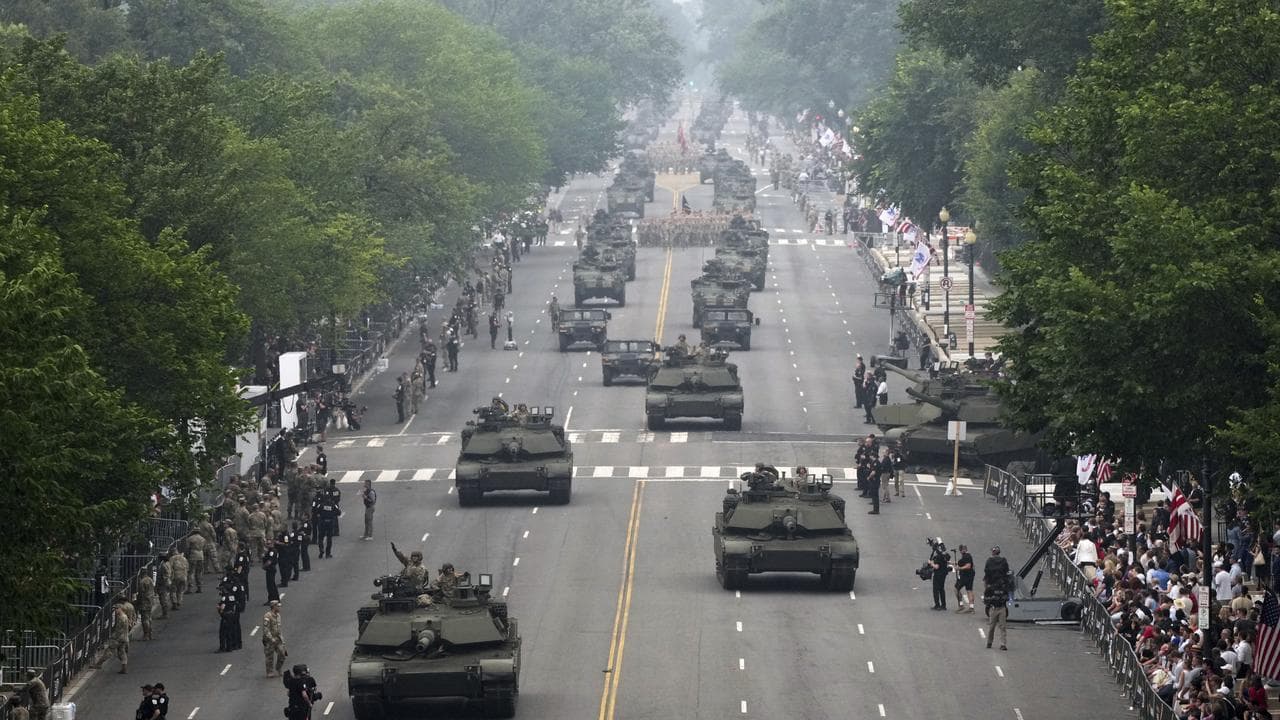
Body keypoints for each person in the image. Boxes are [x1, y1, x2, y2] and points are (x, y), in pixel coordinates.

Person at [983, 546, 1011, 650]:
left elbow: (986, 573)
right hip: (1001, 606)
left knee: (992, 627)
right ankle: (999, 643)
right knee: (1002, 627)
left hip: (995, 606)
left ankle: (994, 643)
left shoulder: (989, 562)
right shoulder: (1003, 562)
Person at [263, 600, 287, 678]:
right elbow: (266, 630)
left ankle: (278, 668)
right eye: (278, 606)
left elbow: (279, 629)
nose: (279, 607)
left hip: (278, 638)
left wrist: (282, 640)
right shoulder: (267, 616)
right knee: (269, 656)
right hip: (269, 639)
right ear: (274, 607)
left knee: (282, 653)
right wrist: (271, 639)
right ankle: (269, 672)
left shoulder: (278, 615)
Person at [929, 539, 951, 610]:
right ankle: (943, 605)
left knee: (936, 589)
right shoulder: (944, 556)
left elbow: (936, 566)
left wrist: (931, 563)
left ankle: (937, 605)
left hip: (938, 574)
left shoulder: (938, 557)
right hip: (944, 574)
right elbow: (947, 562)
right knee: (942, 589)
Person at [954, 544, 976, 613]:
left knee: (956, 589)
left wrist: (959, 568)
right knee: (969, 590)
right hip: (970, 576)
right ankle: (971, 607)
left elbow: (968, 566)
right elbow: (965, 563)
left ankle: (961, 605)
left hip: (965, 577)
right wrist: (952, 563)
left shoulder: (967, 556)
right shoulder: (967, 556)